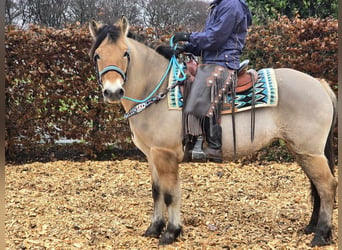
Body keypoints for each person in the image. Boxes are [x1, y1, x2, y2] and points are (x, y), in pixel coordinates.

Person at [172, 0, 252, 163]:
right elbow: (207, 44)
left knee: (203, 91)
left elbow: (215, 38)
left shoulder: (231, 4)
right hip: (213, 58)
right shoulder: (217, 6)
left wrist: (189, 36)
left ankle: (214, 147)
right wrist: (187, 47)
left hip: (224, 61)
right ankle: (191, 139)